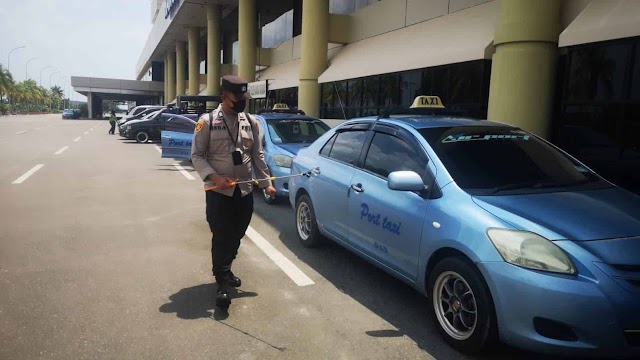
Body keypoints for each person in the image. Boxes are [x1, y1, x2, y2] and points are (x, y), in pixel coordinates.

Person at [191, 75, 277, 307]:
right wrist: (215, 178)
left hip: (245, 192)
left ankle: (226, 269)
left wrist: (266, 183)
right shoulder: (207, 121)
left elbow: (257, 156)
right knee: (222, 236)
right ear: (223, 97)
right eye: (236, 99)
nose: (241, 103)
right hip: (219, 193)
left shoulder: (251, 122)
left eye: (243, 98)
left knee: (237, 234)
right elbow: (197, 156)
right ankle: (222, 283)